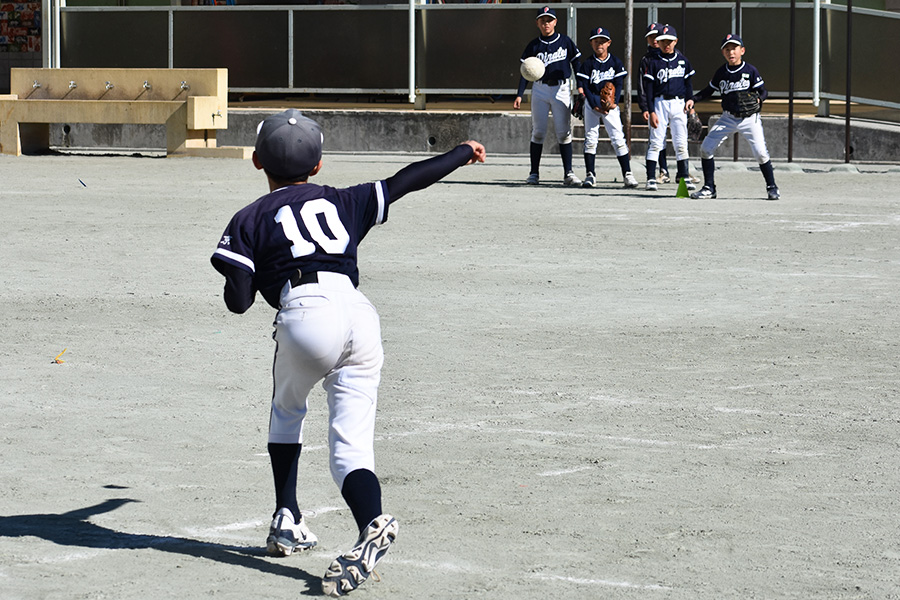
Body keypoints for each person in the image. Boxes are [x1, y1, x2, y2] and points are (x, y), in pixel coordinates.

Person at [210, 109, 486, 597]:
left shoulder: (250, 215)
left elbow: (238, 301)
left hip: (304, 313)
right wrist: (462, 153)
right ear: (318, 166)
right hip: (359, 314)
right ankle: (371, 522)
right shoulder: (342, 200)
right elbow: (405, 181)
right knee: (351, 447)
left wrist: (243, 273)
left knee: (286, 410)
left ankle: (286, 516)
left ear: (256, 161)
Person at [689, 34, 780, 200]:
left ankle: (772, 187)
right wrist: (693, 99)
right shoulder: (721, 72)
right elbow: (708, 91)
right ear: (723, 53)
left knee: (761, 153)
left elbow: (763, 91)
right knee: (706, 148)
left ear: (742, 50)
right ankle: (709, 188)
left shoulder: (750, 70)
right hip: (728, 118)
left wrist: (760, 99)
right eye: (727, 49)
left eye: (734, 48)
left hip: (749, 118)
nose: (731, 52)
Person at [513, 5, 582, 186]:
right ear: (537, 23)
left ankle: (568, 173)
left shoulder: (565, 42)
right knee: (538, 132)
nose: (546, 24)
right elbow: (525, 72)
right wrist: (520, 94)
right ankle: (534, 173)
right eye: (543, 21)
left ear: (555, 22)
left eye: (549, 20)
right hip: (540, 89)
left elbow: (577, 65)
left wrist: (581, 88)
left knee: (564, 133)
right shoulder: (533, 45)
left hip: (561, 88)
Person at [575, 26, 639, 189]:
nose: (599, 45)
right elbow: (585, 87)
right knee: (590, 139)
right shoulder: (588, 63)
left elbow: (618, 84)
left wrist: (614, 102)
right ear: (591, 43)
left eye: (603, 41)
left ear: (609, 43)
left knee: (618, 139)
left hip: (610, 107)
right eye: (596, 41)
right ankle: (590, 175)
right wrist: (595, 104)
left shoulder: (615, 62)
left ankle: (627, 174)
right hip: (592, 105)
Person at [642, 24, 695, 192]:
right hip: (660, 103)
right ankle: (651, 178)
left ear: (675, 41)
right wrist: (651, 111)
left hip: (679, 104)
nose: (667, 44)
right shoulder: (654, 62)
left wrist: (690, 100)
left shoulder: (682, 60)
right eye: (663, 41)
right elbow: (648, 90)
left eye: (670, 41)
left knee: (681, 142)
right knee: (656, 142)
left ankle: (684, 177)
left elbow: (688, 84)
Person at [637, 22, 671, 184]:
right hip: (655, 104)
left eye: (657, 36)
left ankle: (683, 173)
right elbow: (641, 85)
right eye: (651, 37)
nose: (655, 40)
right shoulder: (646, 59)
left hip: (674, 103)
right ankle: (662, 170)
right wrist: (644, 107)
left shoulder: (673, 55)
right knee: (658, 138)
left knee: (680, 139)